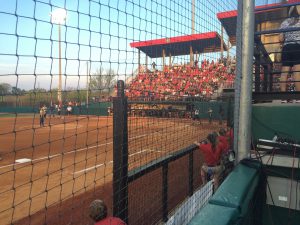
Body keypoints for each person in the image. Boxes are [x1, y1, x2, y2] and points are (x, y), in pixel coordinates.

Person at [279, 5, 300, 100]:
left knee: (284, 73)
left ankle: (283, 97)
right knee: (297, 72)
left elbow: (280, 38)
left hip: (286, 47)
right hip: (297, 47)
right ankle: (298, 96)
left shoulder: (284, 22)